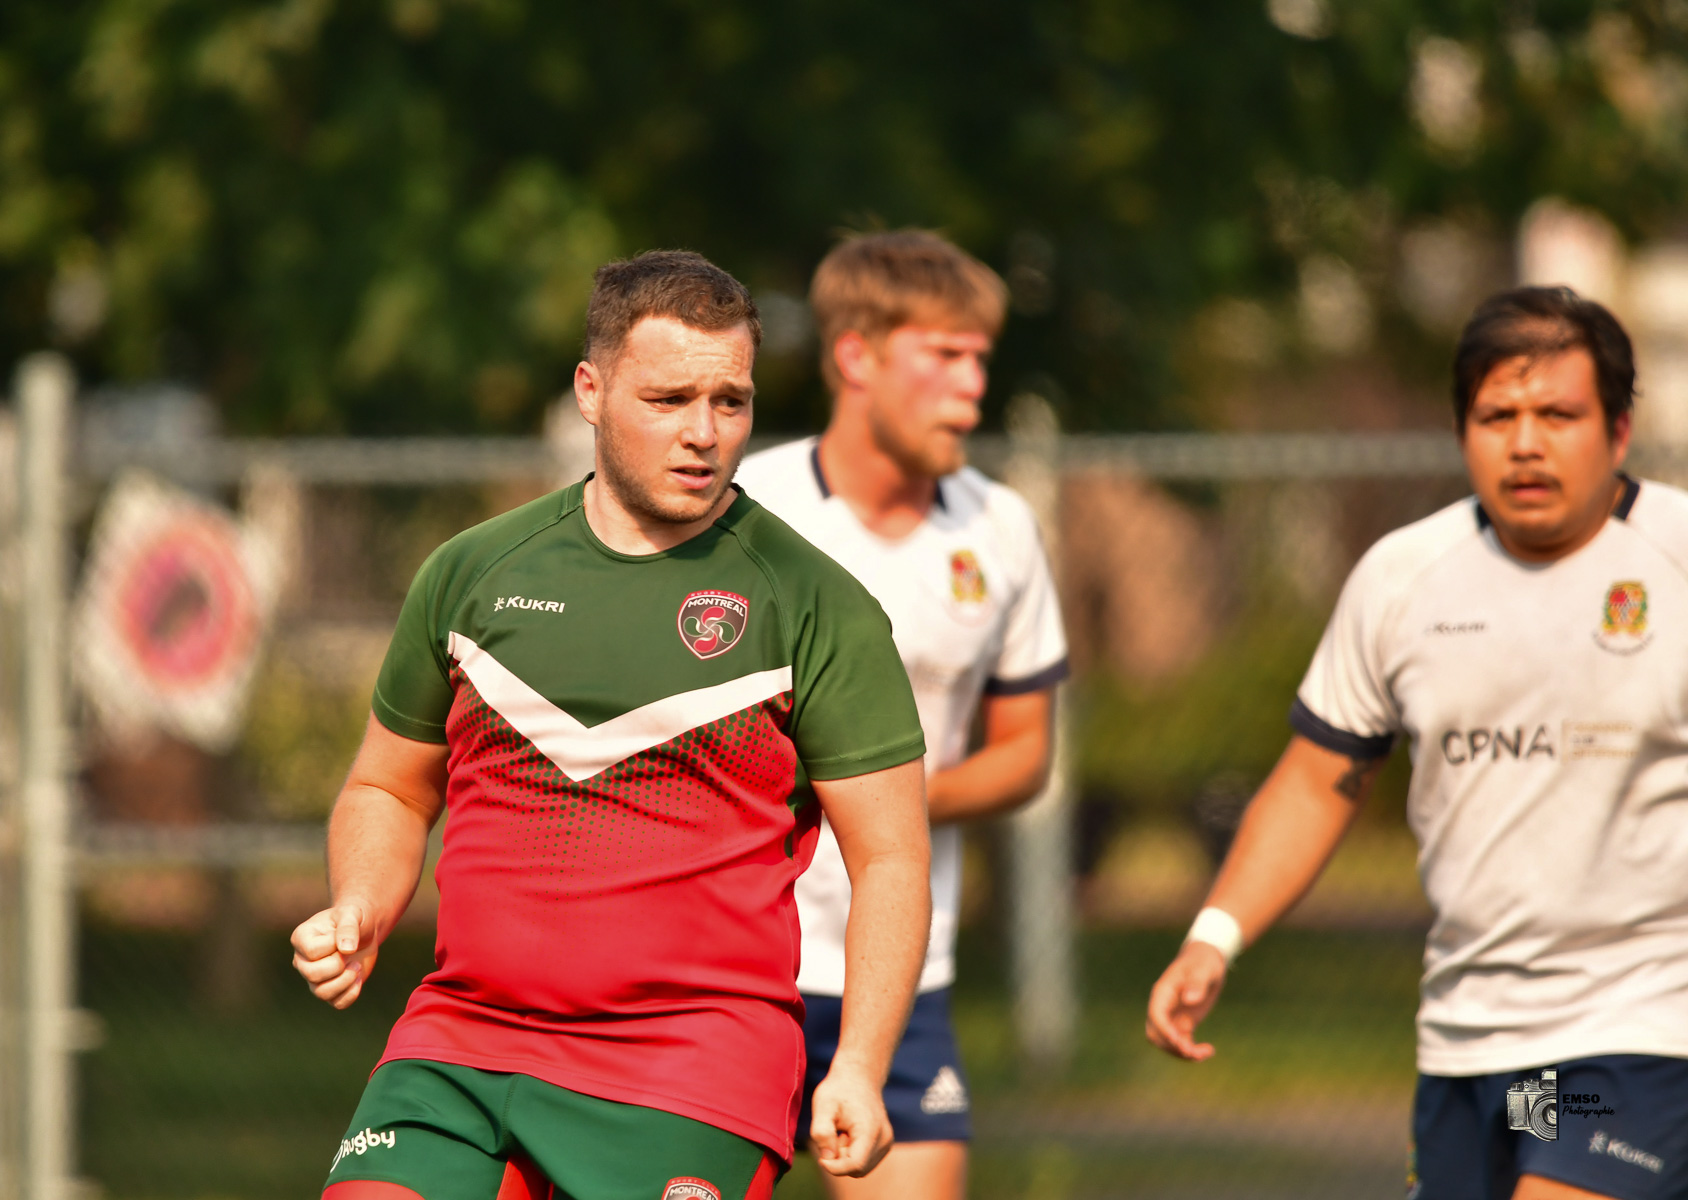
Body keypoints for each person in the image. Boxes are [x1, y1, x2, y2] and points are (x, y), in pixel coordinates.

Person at [293, 250, 934, 1200]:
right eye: (669, 400)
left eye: (732, 401)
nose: (706, 434)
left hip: (690, 1067)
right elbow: (389, 784)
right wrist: (360, 906)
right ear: (591, 391)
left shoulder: (811, 605)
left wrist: (862, 1064)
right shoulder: (473, 574)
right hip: (462, 1045)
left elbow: (889, 857)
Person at [1145, 286, 1688, 1200]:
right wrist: (1213, 937)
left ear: (1619, 430)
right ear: (1460, 430)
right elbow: (1319, 778)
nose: (1525, 441)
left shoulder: (1674, 559)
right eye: (1496, 416)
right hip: (1473, 1045)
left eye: (1558, 414)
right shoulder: (1403, 578)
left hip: (1639, 1036)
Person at [738, 231, 1069, 1199]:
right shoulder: (743, 509)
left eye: (981, 359)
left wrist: (882, 800)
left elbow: (1023, 756)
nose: (974, 385)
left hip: (900, 980)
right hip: (730, 964)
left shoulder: (1000, 528)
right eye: (945, 355)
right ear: (856, 357)